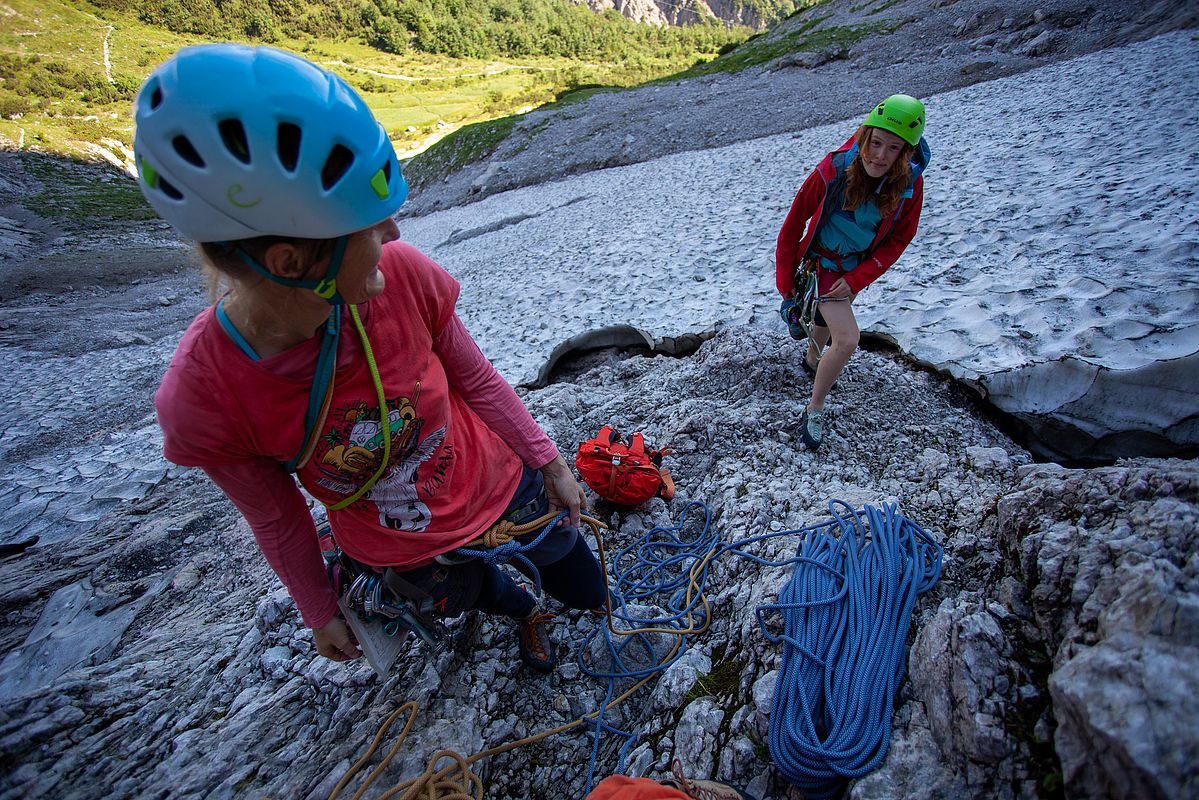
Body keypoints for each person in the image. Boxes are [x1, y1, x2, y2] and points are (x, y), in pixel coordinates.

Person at [137, 43, 608, 672]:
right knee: (460, 593)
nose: (393, 236)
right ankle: (524, 611)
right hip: (396, 543)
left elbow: (476, 378)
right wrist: (317, 609)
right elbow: (275, 516)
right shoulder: (205, 400)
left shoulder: (405, 277)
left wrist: (549, 462)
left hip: (496, 483)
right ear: (291, 261)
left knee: (578, 578)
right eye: (369, 225)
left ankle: (581, 604)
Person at [775, 94, 930, 450]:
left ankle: (813, 359)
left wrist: (859, 278)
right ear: (865, 136)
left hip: (854, 267)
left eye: (892, 148)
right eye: (875, 143)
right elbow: (793, 225)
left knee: (829, 323)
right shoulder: (833, 169)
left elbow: (900, 239)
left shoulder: (909, 185)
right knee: (847, 340)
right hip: (822, 264)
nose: (879, 155)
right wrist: (786, 286)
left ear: (906, 153)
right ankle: (814, 408)